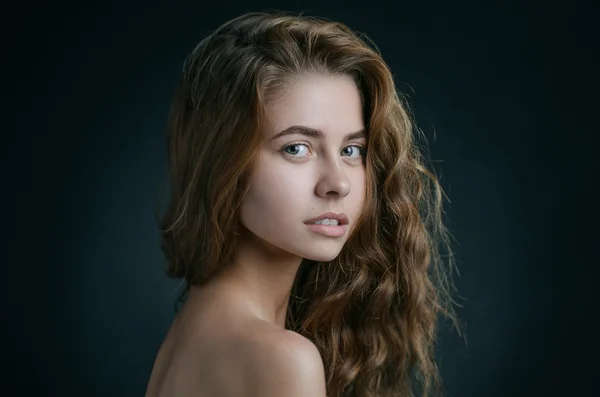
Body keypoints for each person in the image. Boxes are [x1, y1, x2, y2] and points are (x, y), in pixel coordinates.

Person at [145, 10, 461, 397]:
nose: (338, 183)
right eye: (297, 148)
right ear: (223, 162)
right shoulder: (281, 358)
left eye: (351, 149)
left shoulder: (196, 325)